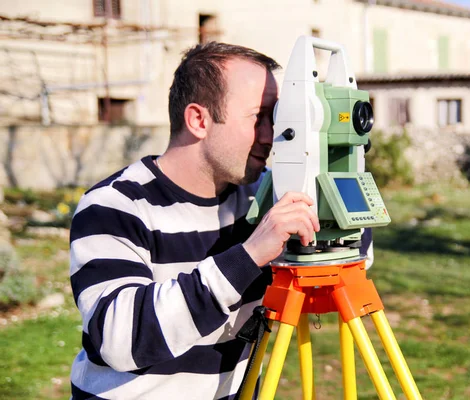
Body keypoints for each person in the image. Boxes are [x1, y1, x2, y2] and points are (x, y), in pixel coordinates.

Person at [69, 42, 371, 399]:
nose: (271, 135)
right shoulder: (115, 205)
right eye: (258, 117)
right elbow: (119, 339)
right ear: (199, 120)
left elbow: (359, 256)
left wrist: (330, 169)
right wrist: (247, 256)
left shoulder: (266, 194)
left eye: (277, 118)